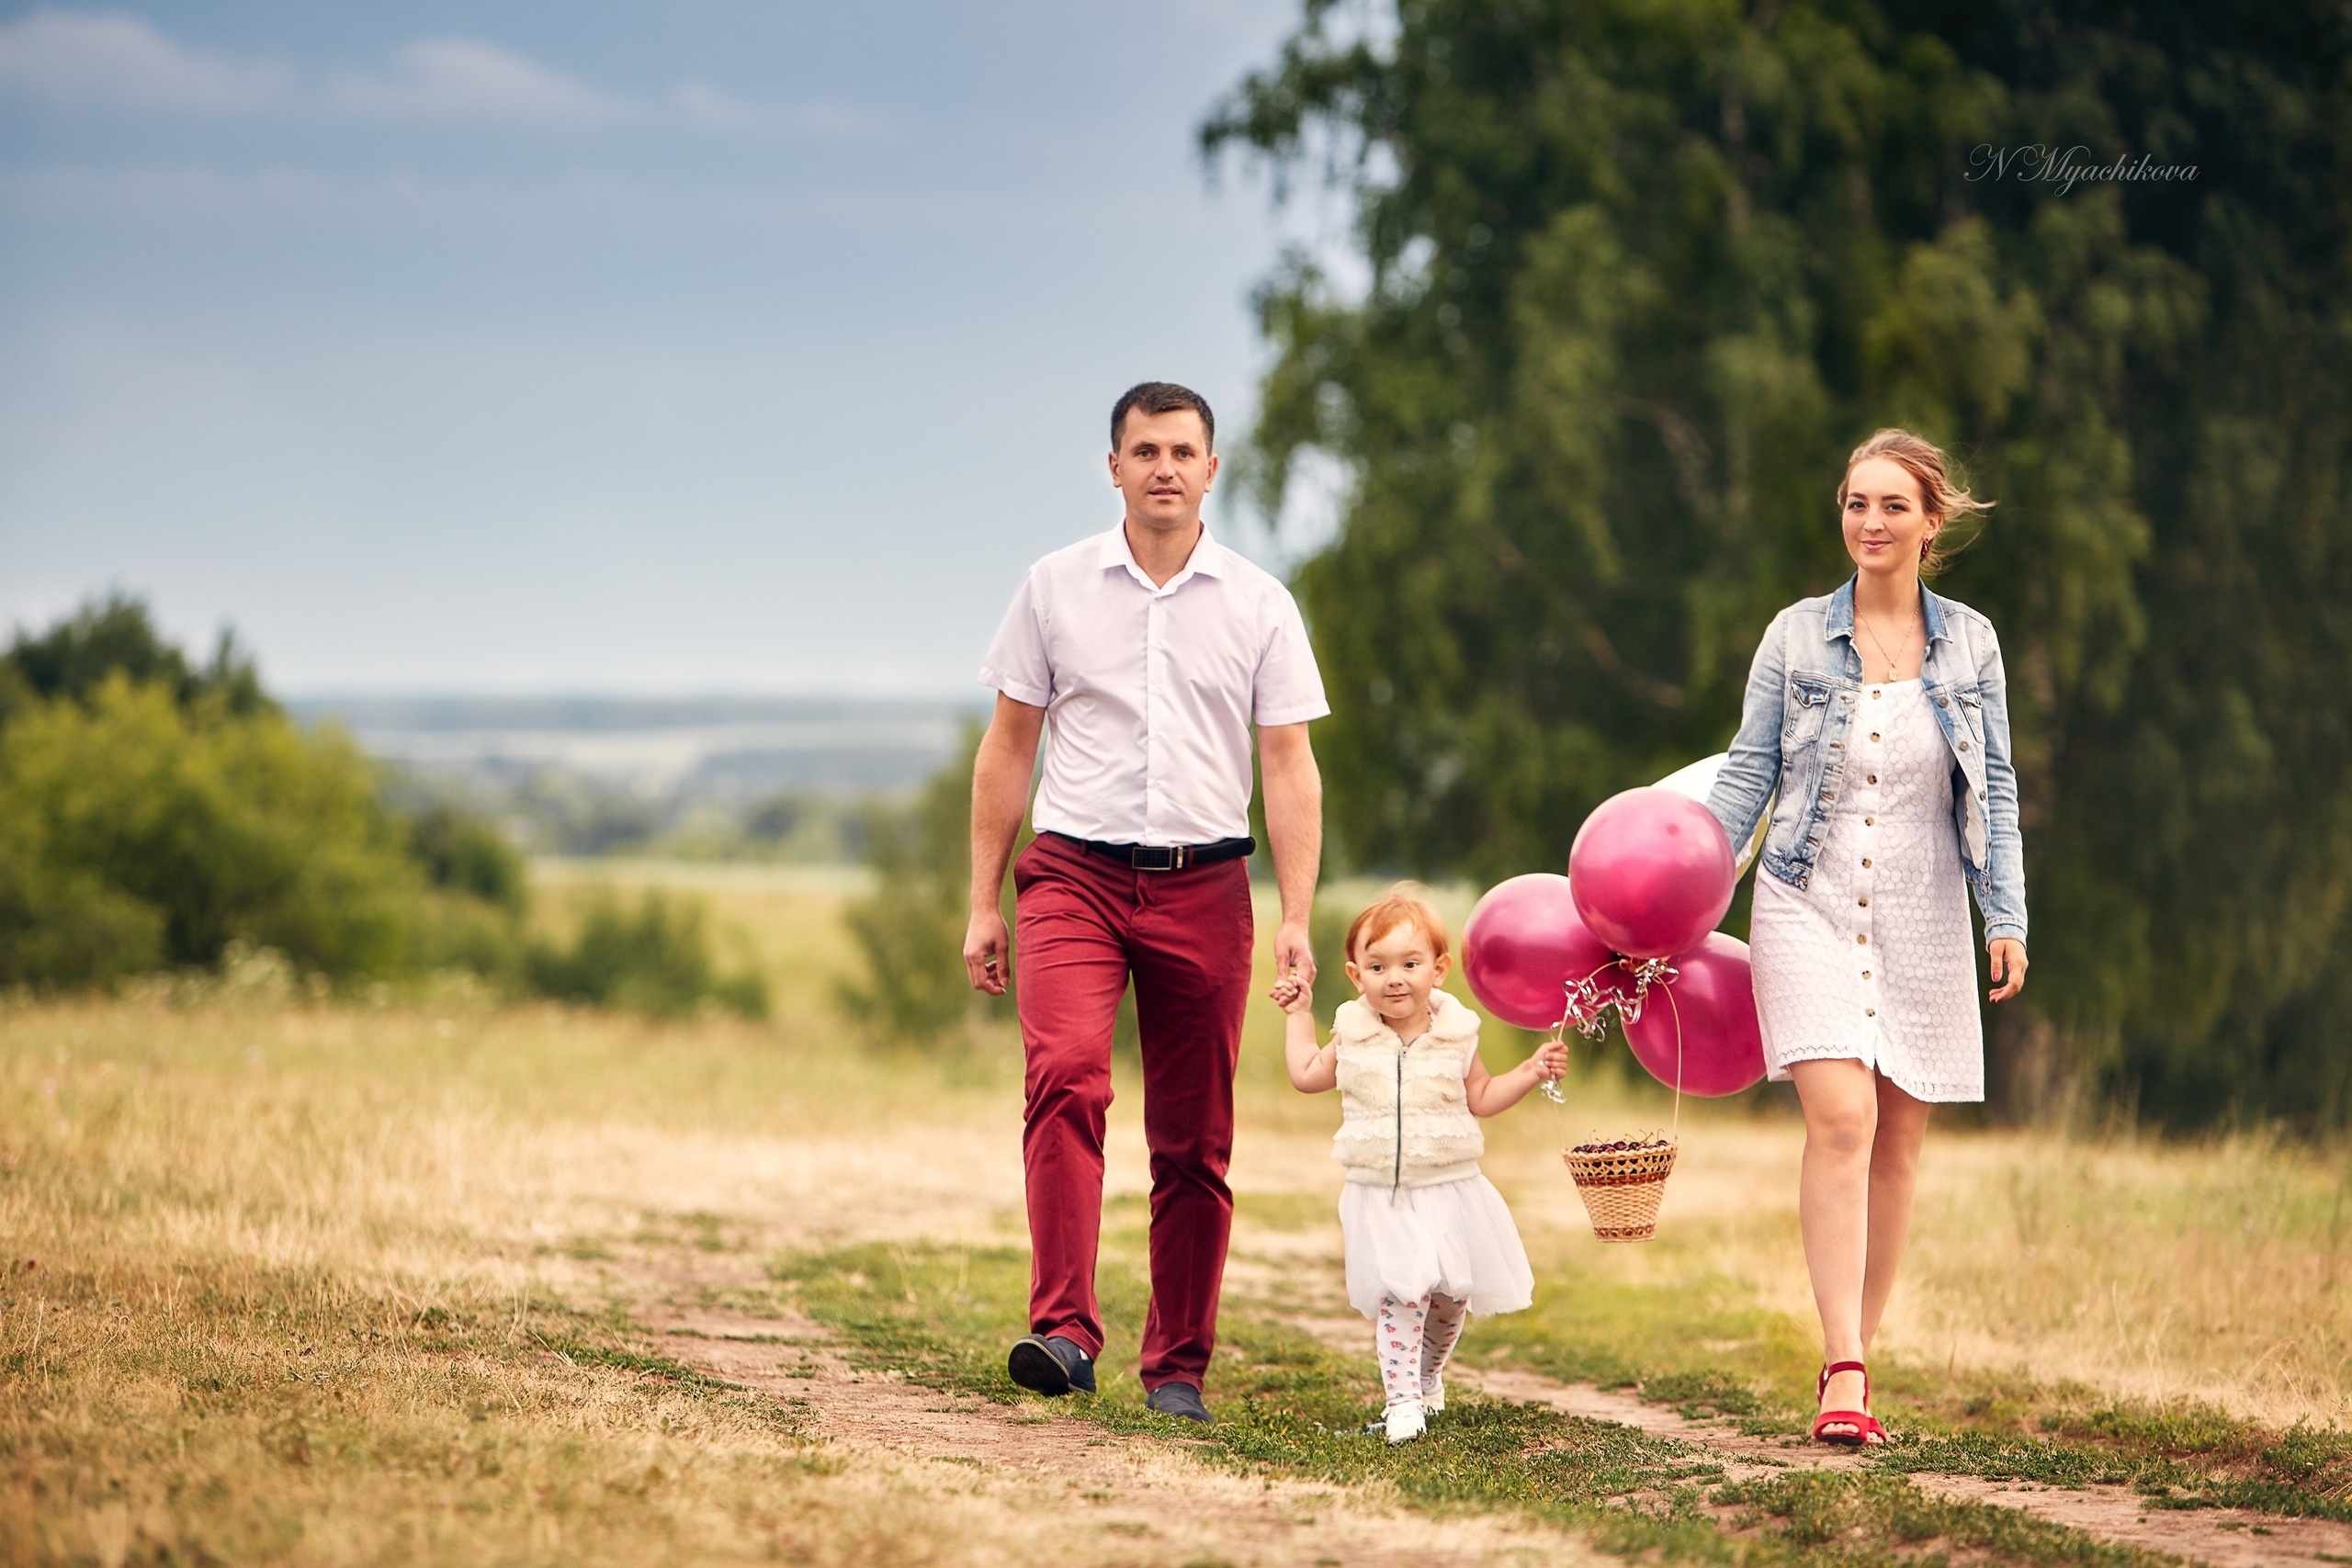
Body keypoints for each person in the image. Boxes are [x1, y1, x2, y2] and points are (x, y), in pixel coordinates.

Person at [964, 381, 1329, 1426]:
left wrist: (1295, 917)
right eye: (1143, 450)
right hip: (1072, 875)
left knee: (1194, 1139)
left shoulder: (1260, 602)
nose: (1163, 467)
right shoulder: (1052, 587)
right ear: (1112, 467)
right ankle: (1065, 1332)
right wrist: (984, 901)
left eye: (1182, 451)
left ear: (1212, 470)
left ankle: (1177, 1368)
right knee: (1066, 1077)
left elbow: (1289, 764)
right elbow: (1008, 747)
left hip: (1207, 882)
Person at [1704, 428, 2030, 1447]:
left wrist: (2005, 914)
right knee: (1839, 1119)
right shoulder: (1795, 635)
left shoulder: (1970, 641)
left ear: (1930, 523)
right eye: (1855, 503)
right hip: (1805, 892)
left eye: (1892, 505)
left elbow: (1998, 787)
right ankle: (1841, 1366)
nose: (1870, 523)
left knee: (1897, 1142)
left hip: (1927, 907)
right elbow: (1744, 779)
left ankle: (1855, 1363)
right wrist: (1684, 897)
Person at [1271, 886, 1568, 1444]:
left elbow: (1481, 1096)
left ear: (1439, 969)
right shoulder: (1354, 1033)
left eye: (1410, 964)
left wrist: (1530, 1072)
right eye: (1378, 966)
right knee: (1403, 1293)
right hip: (1382, 1189)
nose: (1396, 978)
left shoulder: (1457, 1035)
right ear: (1357, 976)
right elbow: (1307, 1074)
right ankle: (1401, 1402)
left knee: (1450, 1298)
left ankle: (1428, 1380)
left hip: (1451, 1186)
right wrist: (1299, 1015)